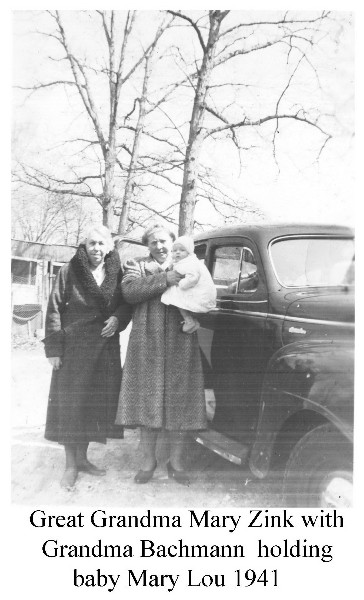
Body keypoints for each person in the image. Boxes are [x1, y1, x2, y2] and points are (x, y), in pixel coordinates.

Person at [115, 223, 207, 485]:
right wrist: (164, 279)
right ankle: (148, 462)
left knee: (180, 403)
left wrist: (196, 318)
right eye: (153, 242)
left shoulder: (189, 263)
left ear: (172, 241)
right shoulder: (137, 265)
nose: (159, 246)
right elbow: (130, 292)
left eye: (163, 241)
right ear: (147, 245)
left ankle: (176, 463)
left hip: (182, 341)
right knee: (147, 403)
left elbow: (203, 292)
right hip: (147, 343)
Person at [43, 225, 131, 490]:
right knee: (71, 406)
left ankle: (82, 458)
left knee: (93, 405)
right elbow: (54, 308)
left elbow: (127, 302)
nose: (96, 249)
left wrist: (118, 318)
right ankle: (71, 464)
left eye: (101, 244)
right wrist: (55, 349)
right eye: (92, 243)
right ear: (84, 246)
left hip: (105, 348)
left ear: (109, 247)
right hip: (74, 349)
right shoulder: (69, 271)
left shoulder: (117, 273)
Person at [161, 235, 216, 333]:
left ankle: (189, 320)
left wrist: (181, 284)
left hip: (201, 293)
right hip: (198, 291)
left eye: (182, 250)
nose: (178, 252)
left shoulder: (190, 263)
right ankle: (192, 321)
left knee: (175, 294)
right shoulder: (183, 262)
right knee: (176, 294)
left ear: (189, 252)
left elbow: (193, 277)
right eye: (175, 250)